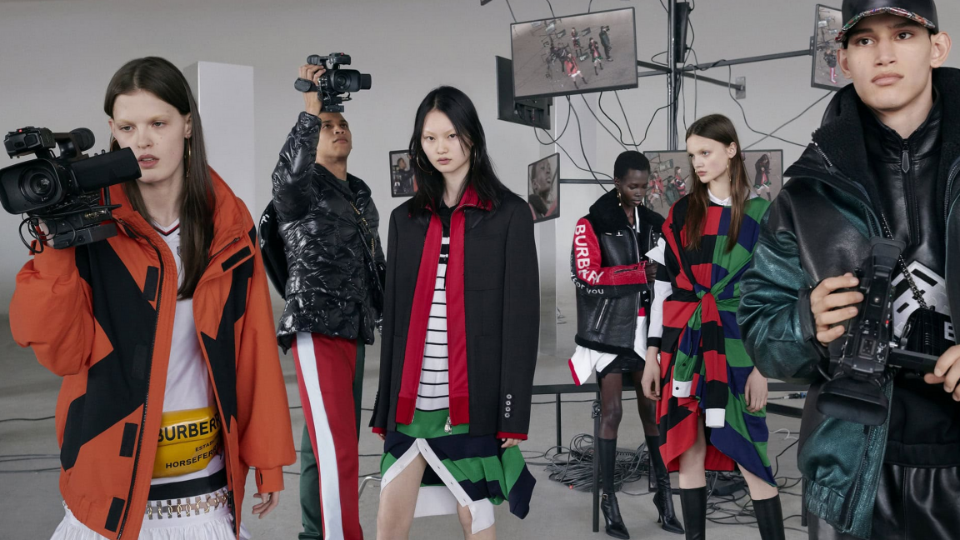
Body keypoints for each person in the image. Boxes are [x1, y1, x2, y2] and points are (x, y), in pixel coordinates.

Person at [10, 56, 296, 540]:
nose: (142, 141)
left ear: (187, 124)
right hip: (107, 487)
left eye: (158, 123)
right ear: (112, 132)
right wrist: (56, 244)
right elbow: (62, 355)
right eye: (128, 127)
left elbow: (253, 349)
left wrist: (267, 458)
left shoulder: (229, 224)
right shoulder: (88, 230)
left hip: (202, 489)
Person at [738, 2, 960, 538]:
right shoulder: (806, 194)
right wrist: (804, 322)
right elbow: (761, 332)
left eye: (903, 34)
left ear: (937, 47)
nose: (883, 54)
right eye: (864, 40)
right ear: (842, 60)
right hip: (850, 478)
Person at [371, 86, 539, 540]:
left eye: (450, 135)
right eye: (429, 138)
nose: (440, 148)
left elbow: (521, 324)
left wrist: (513, 414)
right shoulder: (404, 220)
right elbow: (395, 323)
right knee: (390, 514)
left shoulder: (510, 215)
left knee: (474, 515)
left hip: (474, 400)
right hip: (413, 400)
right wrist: (385, 406)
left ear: (472, 137)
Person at [641, 114, 785, 540]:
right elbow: (663, 290)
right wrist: (651, 354)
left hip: (739, 348)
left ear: (731, 150)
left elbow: (775, 297)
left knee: (752, 456)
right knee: (690, 451)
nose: (698, 163)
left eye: (705, 152)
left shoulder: (762, 214)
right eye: (692, 155)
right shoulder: (681, 212)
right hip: (684, 345)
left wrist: (762, 368)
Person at [267, 62, 386, 540]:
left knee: (329, 442)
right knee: (337, 450)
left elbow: (374, 264)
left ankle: (315, 532)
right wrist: (310, 113)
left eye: (341, 124)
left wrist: (388, 315)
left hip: (353, 327)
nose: (337, 130)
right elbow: (285, 179)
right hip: (317, 324)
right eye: (327, 126)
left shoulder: (359, 194)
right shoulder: (301, 191)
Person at [569, 151, 684, 539]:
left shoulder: (654, 224)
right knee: (613, 412)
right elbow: (586, 276)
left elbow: (669, 275)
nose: (639, 192)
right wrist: (636, 272)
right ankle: (609, 502)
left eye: (644, 185)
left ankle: (664, 497)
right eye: (632, 185)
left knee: (652, 410)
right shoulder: (591, 224)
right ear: (617, 182)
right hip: (608, 334)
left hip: (647, 332)